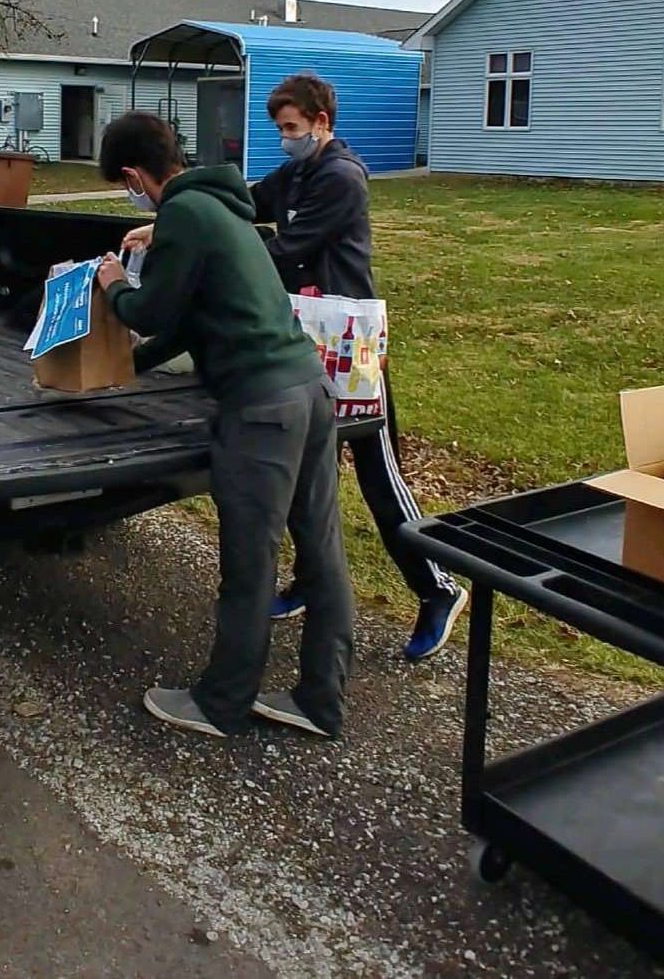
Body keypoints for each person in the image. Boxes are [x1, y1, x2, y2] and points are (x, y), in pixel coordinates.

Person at [123, 74, 468, 662]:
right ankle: (311, 581)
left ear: (321, 124)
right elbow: (247, 204)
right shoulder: (300, 172)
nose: (285, 140)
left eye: (292, 129)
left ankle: (437, 587)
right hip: (306, 336)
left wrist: (205, 246)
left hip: (350, 343)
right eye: (279, 129)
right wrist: (173, 222)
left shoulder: (341, 178)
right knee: (315, 480)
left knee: (377, 471)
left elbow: (286, 248)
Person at [94, 111, 355, 740]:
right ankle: (322, 702)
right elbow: (190, 322)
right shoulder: (224, 207)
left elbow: (153, 310)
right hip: (310, 389)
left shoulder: (183, 215)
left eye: (124, 184)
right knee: (321, 552)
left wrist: (110, 288)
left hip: (261, 407)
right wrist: (124, 367)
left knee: (249, 560)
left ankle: (223, 703)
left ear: (134, 175)